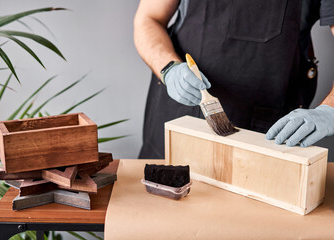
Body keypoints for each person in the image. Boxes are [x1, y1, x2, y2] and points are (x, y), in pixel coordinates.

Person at [134, 0, 334, 159]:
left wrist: (330, 110)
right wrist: (169, 68)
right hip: (179, 118)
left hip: (267, 136)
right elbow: (149, 18)